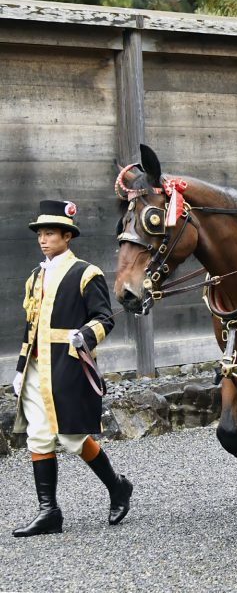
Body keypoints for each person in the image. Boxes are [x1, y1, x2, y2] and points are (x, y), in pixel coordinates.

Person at [11, 200, 128, 537]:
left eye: (50, 233)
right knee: (39, 435)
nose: (43, 239)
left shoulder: (85, 273)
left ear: (67, 236)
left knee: (73, 437)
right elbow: (30, 327)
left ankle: (118, 486)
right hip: (36, 366)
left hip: (68, 366)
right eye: (40, 234)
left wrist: (86, 335)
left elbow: (105, 318)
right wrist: (21, 369)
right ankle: (49, 512)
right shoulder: (35, 276)